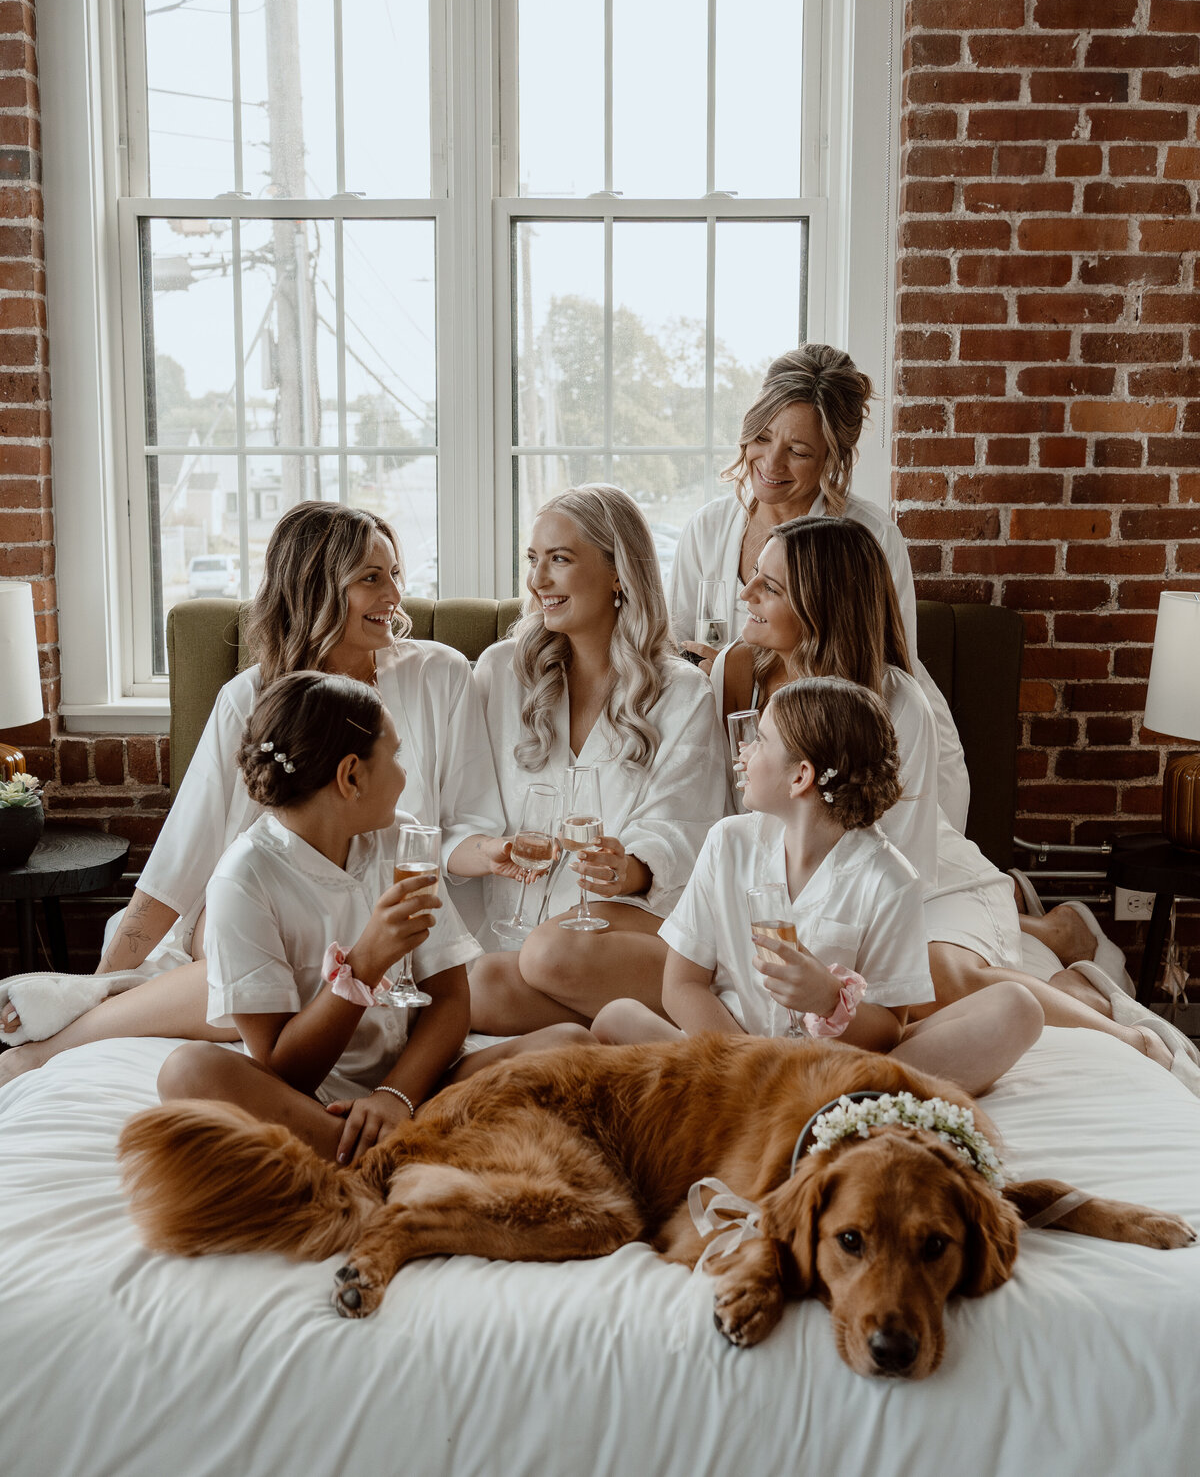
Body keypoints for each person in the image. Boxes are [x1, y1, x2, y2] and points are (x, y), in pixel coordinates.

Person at [0, 500, 505, 1085]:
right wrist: (91, 984)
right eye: (371, 578)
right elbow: (180, 863)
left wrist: (489, 854)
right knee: (243, 923)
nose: (395, 594)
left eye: (395, 574)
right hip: (270, 913)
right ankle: (80, 1019)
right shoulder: (250, 699)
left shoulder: (439, 674)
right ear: (315, 588)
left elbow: (467, 824)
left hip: (388, 900)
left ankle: (112, 999)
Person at [711, 513, 1197, 1082]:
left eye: (769, 587)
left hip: (919, 878)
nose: (745, 594)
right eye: (753, 576)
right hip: (790, 872)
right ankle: (1046, 932)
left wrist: (830, 942)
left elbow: (902, 858)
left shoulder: (895, 700)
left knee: (933, 976)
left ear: (823, 604)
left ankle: (1113, 1024)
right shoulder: (736, 672)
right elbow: (726, 804)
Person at [154, 672, 553, 1164]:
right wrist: (364, 965)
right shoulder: (243, 880)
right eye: (396, 756)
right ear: (351, 776)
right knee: (188, 1071)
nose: (405, 777)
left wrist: (395, 1096)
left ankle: (391, 1153)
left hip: (419, 1089)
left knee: (571, 1044)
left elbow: (451, 1000)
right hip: (313, 1106)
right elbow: (284, 1073)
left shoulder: (400, 840)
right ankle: (377, 1156)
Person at [593, 678, 1043, 1099]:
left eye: (761, 740)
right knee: (616, 1016)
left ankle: (828, 1103)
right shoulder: (728, 843)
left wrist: (828, 999)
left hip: (831, 1071)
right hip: (731, 1060)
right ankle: (803, 1104)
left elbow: (888, 1030)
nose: (743, 752)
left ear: (800, 776)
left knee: (1018, 1007)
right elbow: (681, 985)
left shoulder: (890, 879)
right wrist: (750, 1064)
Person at [666, 343, 969, 830]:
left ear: (833, 456)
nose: (771, 462)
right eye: (762, 438)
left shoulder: (867, 536)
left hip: (860, 749)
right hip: (744, 737)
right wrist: (709, 677)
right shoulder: (708, 528)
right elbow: (672, 650)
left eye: (799, 451)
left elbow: (884, 661)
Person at [464, 485, 727, 1036]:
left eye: (559, 559)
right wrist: (492, 849)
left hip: (636, 925)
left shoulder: (682, 693)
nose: (537, 581)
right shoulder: (499, 675)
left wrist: (629, 868)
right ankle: (627, 1024)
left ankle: (684, 999)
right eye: (533, 560)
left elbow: (687, 827)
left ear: (618, 573)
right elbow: (466, 805)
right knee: (475, 988)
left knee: (548, 956)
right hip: (520, 928)